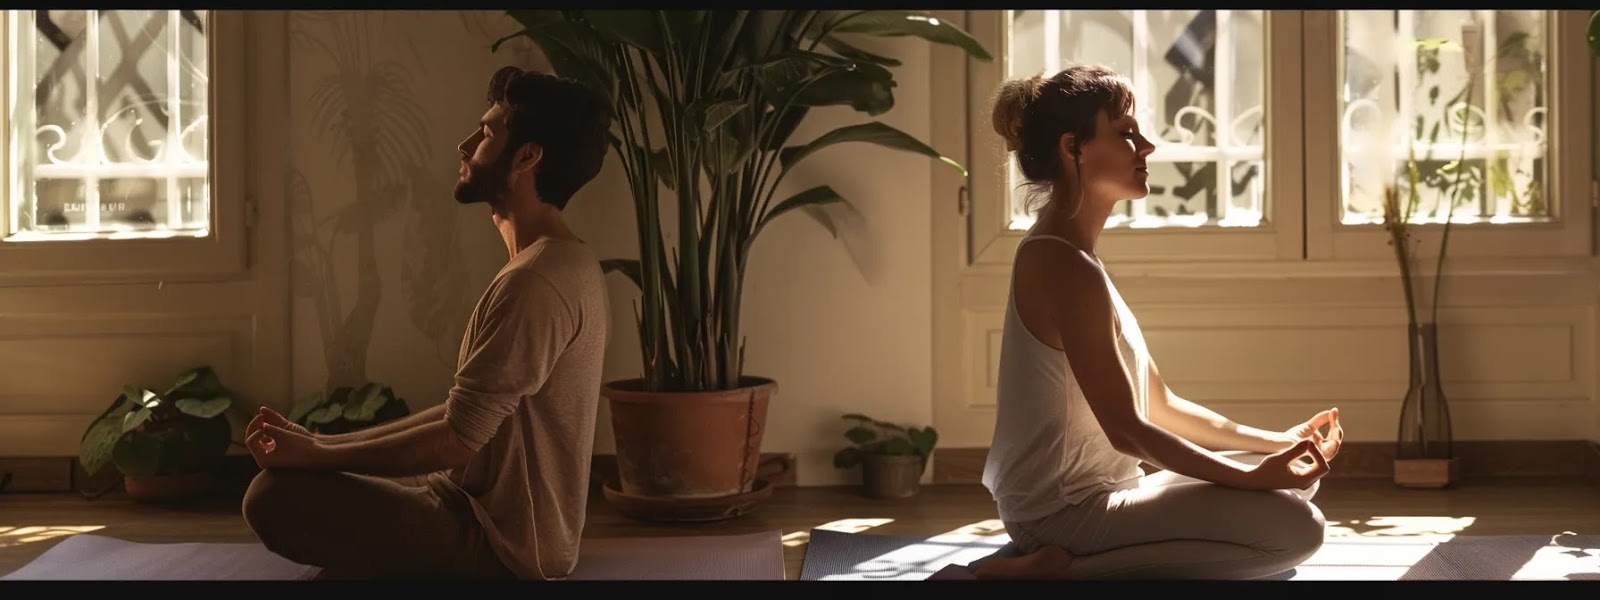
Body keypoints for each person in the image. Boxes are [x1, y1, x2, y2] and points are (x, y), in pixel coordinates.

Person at [970, 65, 1345, 581]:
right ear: (1072, 147)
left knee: (1298, 480)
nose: (1146, 146)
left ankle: (1068, 562)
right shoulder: (1062, 265)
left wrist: (1279, 443)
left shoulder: (1076, 258)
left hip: (1110, 491)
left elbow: (1161, 406)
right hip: (1061, 512)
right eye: (1126, 132)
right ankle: (1059, 571)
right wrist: (1251, 479)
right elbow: (1128, 430)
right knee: (1298, 530)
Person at [239, 65, 613, 580]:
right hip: (469, 503)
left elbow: (457, 439)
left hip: (501, 544)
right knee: (312, 488)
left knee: (272, 497)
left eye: (485, 134)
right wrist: (321, 446)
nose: (465, 146)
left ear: (527, 157)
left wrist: (316, 457)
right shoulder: (562, 262)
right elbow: (463, 418)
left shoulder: (536, 282)